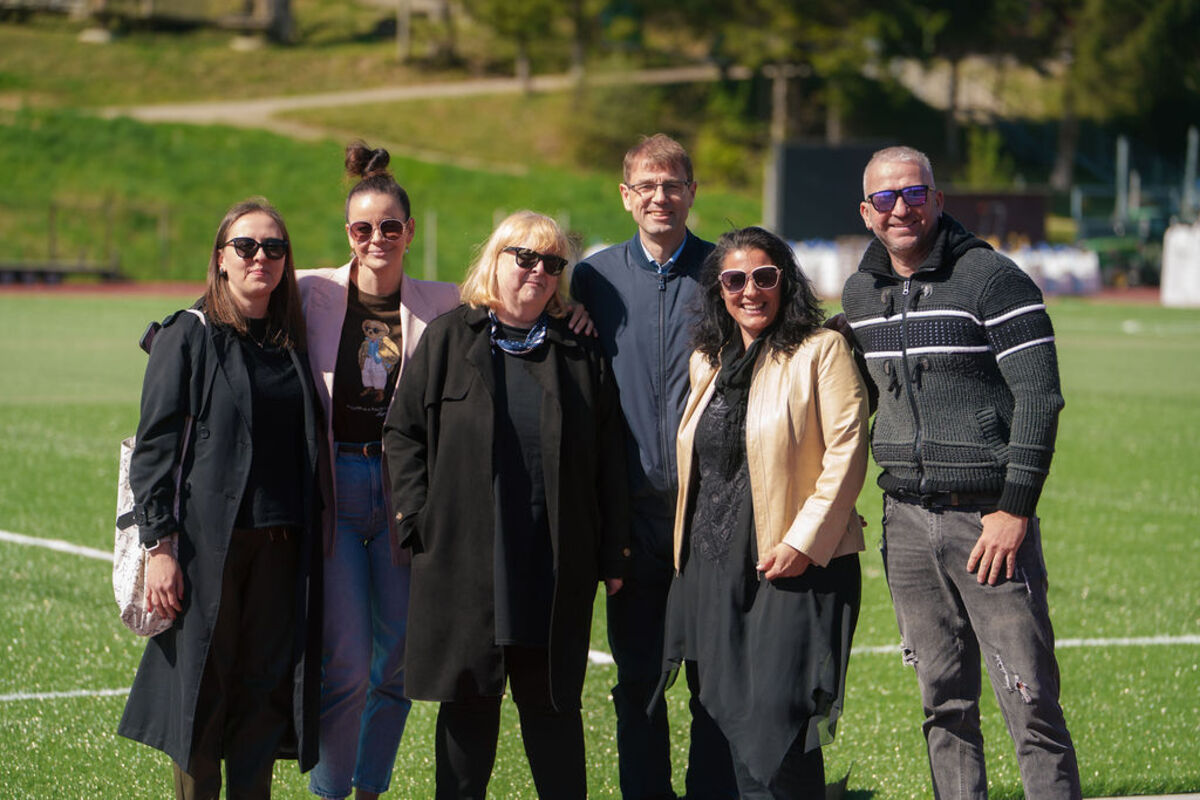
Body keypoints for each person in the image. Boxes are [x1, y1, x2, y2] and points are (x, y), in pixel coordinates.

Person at [841, 145, 1082, 799]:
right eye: (885, 198)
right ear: (866, 211)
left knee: (1030, 703)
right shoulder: (860, 294)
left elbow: (1040, 398)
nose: (901, 208)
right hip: (905, 525)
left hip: (987, 521)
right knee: (942, 704)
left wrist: (1014, 509)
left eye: (914, 193)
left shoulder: (993, 279)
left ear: (938, 200)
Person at [383, 210, 630, 800]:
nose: (538, 272)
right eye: (525, 257)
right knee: (468, 710)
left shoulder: (579, 349)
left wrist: (612, 551)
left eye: (552, 263)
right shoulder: (450, 337)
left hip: (551, 562)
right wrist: (418, 522)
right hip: (466, 561)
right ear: (494, 260)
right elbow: (403, 433)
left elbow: (610, 457)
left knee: (553, 709)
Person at [118, 198, 323, 799]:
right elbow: (154, 449)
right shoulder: (190, 332)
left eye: (274, 247)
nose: (261, 257)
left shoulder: (289, 340)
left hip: (281, 549)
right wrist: (159, 547)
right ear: (221, 258)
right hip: (207, 550)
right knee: (202, 700)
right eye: (246, 246)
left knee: (262, 699)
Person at [661, 226, 869, 799]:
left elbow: (848, 451)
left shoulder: (821, 350)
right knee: (720, 723)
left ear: (785, 282)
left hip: (791, 567)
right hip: (713, 570)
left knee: (777, 722)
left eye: (763, 277)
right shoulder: (708, 360)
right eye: (734, 280)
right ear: (719, 290)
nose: (749, 291)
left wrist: (804, 541)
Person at [570, 133, 737, 800]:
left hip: (712, 514)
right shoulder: (594, 278)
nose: (659, 197)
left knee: (713, 681)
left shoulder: (727, 271)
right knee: (638, 680)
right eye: (646, 185)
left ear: (692, 192)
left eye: (672, 185)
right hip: (631, 518)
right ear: (626, 196)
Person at [297, 142, 461, 800]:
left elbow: (520, 297)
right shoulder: (310, 291)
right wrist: (176, 331)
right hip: (335, 489)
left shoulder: (442, 303)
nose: (377, 240)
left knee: (395, 666)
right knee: (347, 664)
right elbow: (230, 292)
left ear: (409, 231)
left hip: (403, 493)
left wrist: (573, 307)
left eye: (390, 227)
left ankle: (370, 790)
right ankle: (330, 792)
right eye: (363, 229)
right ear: (348, 234)